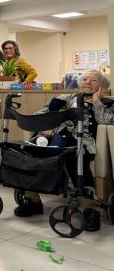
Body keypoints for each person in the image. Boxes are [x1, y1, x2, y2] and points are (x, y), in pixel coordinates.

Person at [15, 70, 114, 217]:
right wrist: (47, 124)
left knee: (75, 156)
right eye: (84, 79)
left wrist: (96, 102)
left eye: (93, 80)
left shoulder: (107, 104)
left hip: (82, 142)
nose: (87, 82)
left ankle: (89, 206)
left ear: (102, 87)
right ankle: (32, 200)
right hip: (52, 139)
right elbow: (39, 115)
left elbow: (110, 123)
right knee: (29, 150)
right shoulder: (63, 99)